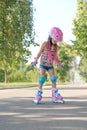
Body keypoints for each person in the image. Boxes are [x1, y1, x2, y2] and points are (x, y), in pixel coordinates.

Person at [32, 27, 64, 104]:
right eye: (55, 40)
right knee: (42, 79)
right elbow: (39, 53)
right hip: (43, 64)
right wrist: (35, 60)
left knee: (53, 78)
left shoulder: (56, 47)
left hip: (50, 65)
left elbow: (55, 57)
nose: (56, 42)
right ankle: (38, 95)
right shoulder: (45, 44)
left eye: (57, 41)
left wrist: (58, 64)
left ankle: (54, 96)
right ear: (50, 37)